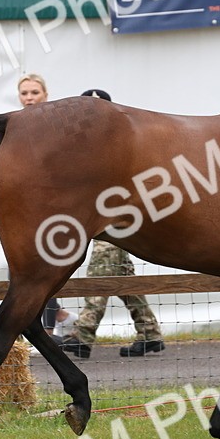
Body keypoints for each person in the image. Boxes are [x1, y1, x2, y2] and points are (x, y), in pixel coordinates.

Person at [60, 89, 167, 360]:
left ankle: (82, 336)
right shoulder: (80, 144)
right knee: (123, 280)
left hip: (114, 221)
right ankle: (150, 334)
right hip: (102, 221)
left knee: (99, 277)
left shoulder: (120, 141)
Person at [16, 73, 77, 343]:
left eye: (34, 93)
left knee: (45, 267)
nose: (29, 98)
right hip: (29, 209)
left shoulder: (55, 125)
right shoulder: (16, 126)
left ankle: (50, 329)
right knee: (30, 269)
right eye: (25, 93)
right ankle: (60, 317)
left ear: (46, 95)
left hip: (55, 208)